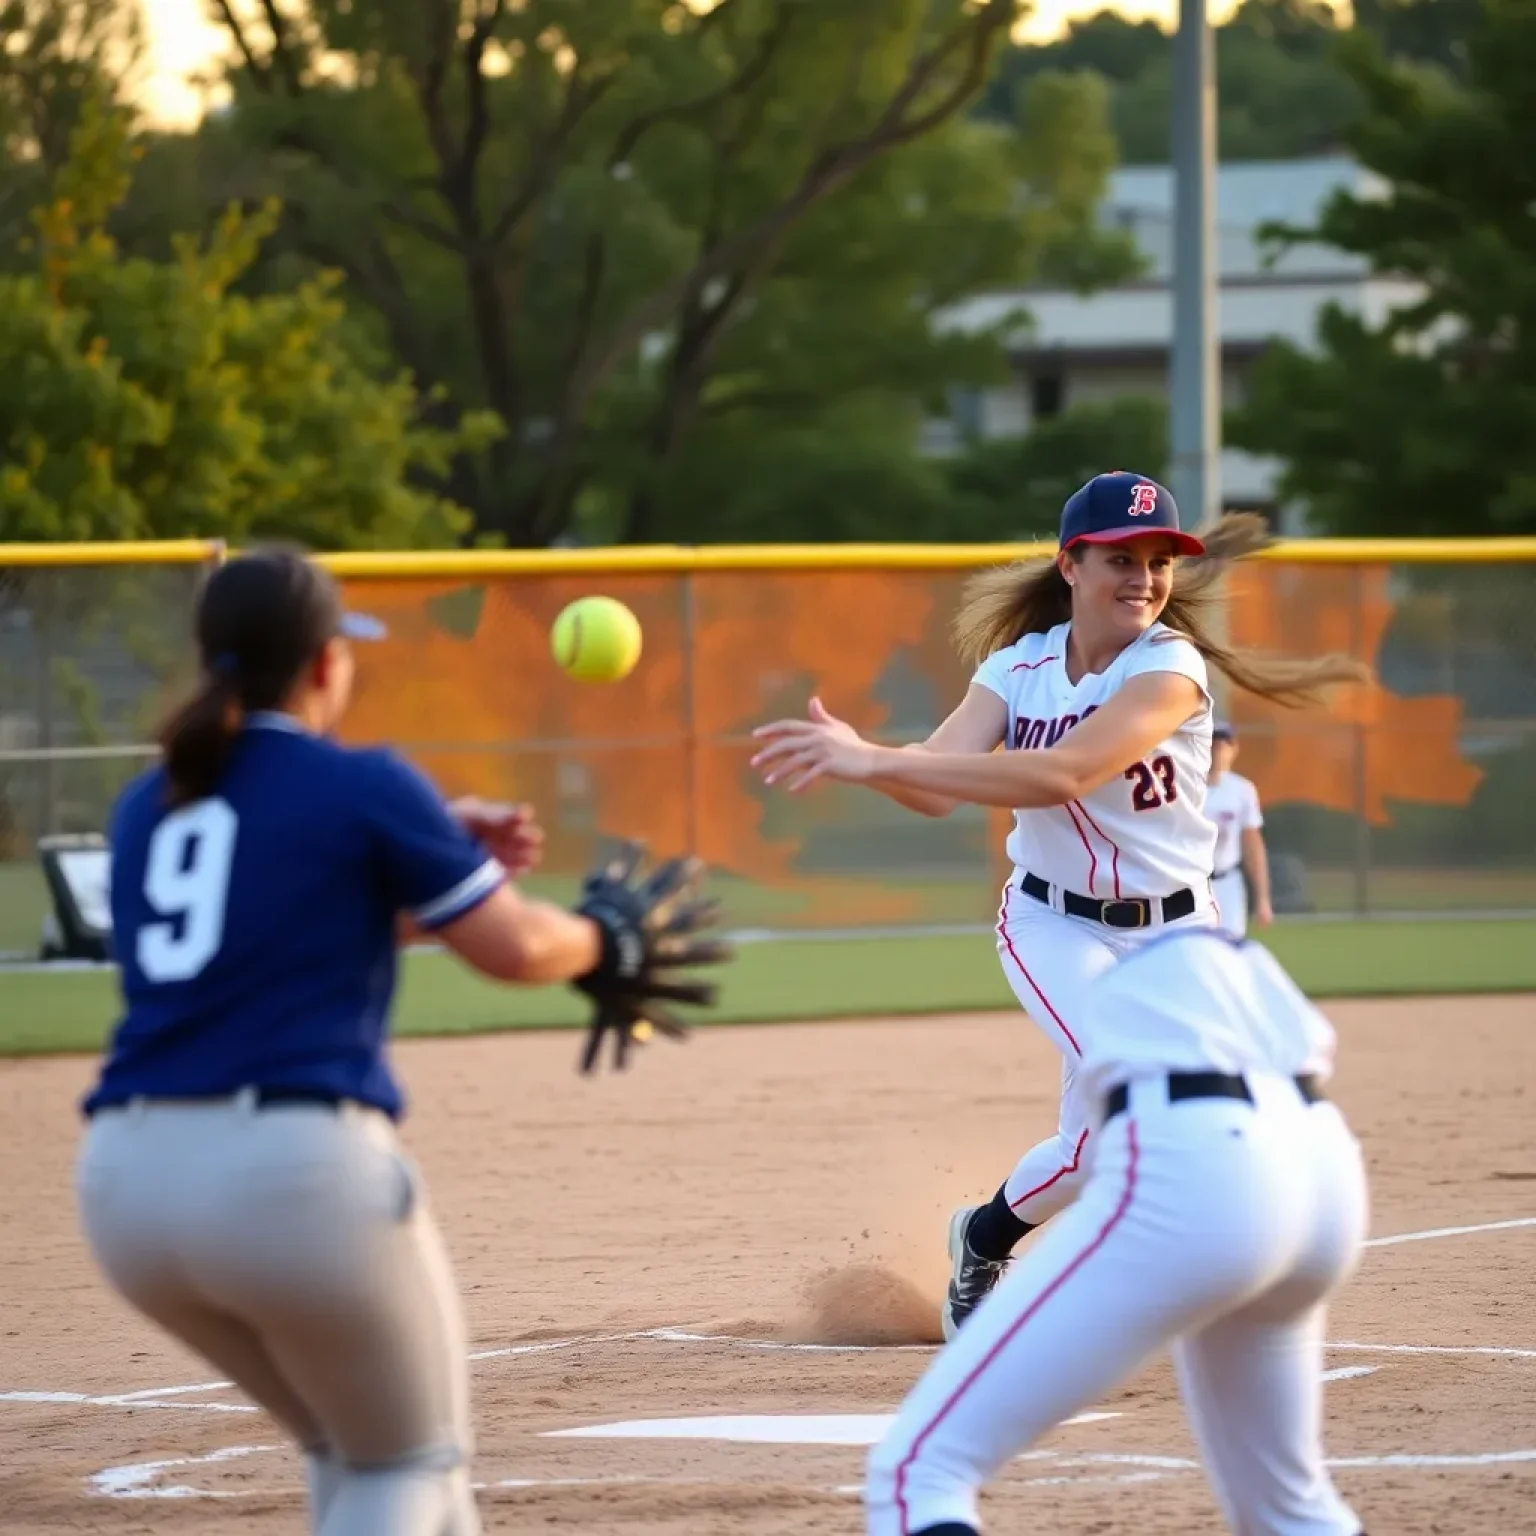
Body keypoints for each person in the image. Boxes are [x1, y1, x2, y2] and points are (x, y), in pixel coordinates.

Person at [74, 545, 728, 1536]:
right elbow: (512, 949)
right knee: (406, 1466)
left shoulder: (144, 804)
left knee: (352, 1447)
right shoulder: (364, 784)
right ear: (326, 664)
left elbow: (266, 924)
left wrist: (418, 858)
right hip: (288, 1176)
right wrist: (605, 934)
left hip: (124, 1190)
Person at [750, 472, 1366, 1339]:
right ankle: (1163, 1273)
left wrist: (881, 760)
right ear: (1071, 564)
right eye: (1121, 557)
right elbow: (935, 787)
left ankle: (986, 1232)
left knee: (1103, 1140)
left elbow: (1063, 773)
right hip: (1054, 923)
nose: (1144, 578)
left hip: (1183, 932)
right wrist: (882, 762)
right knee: (1148, 1089)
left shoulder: (1171, 668)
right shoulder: (1017, 668)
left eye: (1158, 561)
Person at [863, 927, 1371, 1536]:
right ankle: (987, 1235)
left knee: (919, 1473)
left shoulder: (1118, 969)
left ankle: (985, 1238)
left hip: (1206, 1169)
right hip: (1325, 1163)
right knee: (1293, 1511)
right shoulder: (1210, 946)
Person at [1207, 721, 1272, 935]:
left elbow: (1253, 845)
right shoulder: (1185, 786)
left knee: (1231, 947)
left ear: (1234, 749)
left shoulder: (1242, 789)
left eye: (1223, 745)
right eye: (1213, 744)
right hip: (1193, 883)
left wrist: (1262, 898)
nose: (1217, 751)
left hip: (1227, 881)